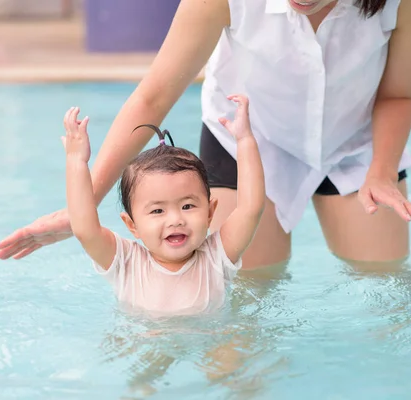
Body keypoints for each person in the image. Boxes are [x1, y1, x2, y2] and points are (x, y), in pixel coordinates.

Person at [0, 0, 411, 269]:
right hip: (246, 139)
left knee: (388, 283)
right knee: (239, 305)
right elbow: (154, 96)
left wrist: (382, 172)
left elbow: (398, 94)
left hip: (356, 144)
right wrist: (84, 203)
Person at [62, 94, 265, 315]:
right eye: (158, 210)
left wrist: (245, 141)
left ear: (210, 213)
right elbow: (84, 230)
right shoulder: (126, 262)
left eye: (187, 206)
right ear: (132, 225)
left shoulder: (217, 258)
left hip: (208, 344)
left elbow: (250, 208)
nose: (175, 220)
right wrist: (76, 161)